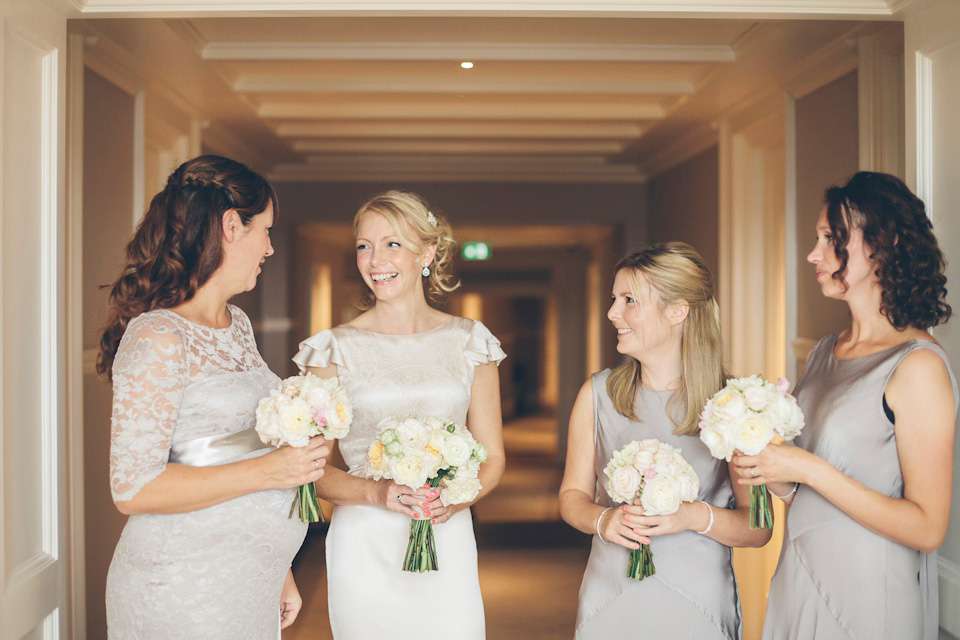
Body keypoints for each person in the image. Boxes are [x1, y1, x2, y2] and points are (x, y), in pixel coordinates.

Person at [99, 155, 330, 639]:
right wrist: (272, 470)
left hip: (246, 582)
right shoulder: (159, 335)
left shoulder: (236, 324)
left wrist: (279, 569)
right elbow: (133, 488)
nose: (269, 247)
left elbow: (237, 443)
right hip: (181, 588)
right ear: (231, 226)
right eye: (265, 230)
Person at [733, 172, 958, 640]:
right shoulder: (823, 351)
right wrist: (773, 474)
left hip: (868, 596)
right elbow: (807, 494)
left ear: (884, 244)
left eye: (832, 240)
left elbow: (927, 526)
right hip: (800, 574)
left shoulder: (917, 366)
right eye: (818, 239)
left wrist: (808, 468)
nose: (815, 255)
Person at [293, 190, 506, 639]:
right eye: (363, 246)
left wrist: (458, 498)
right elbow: (309, 470)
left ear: (427, 252)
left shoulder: (472, 342)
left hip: (445, 531)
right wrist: (376, 493)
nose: (375, 260)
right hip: (363, 540)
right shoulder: (331, 350)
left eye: (392, 243)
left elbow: (493, 457)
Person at [560, 242, 771, 640]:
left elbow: (758, 528)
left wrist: (693, 516)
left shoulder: (732, 405)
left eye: (629, 300)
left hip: (696, 602)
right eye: (614, 299)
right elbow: (572, 495)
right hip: (611, 596)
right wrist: (604, 519)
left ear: (677, 311)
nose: (612, 312)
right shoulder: (598, 394)